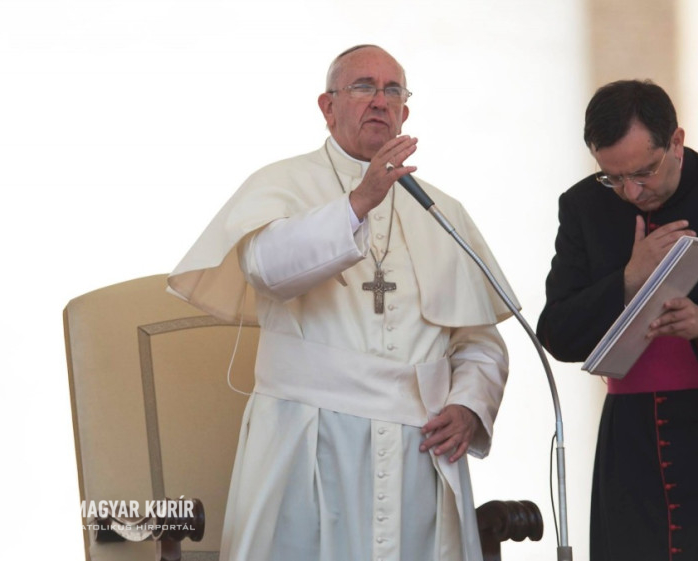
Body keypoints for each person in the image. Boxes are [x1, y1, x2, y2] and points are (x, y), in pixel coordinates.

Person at [167, 45, 516, 561]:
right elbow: (266, 269)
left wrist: (469, 405)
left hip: (417, 454)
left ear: (404, 113)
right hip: (307, 441)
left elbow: (480, 340)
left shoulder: (443, 210)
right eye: (363, 87)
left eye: (392, 90)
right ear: (327, 107)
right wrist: (358, 203)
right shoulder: (280, 183)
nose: (379, 100)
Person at [536, 80, 698, 561]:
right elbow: (557, 332)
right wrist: (628, 280)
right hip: (635, 442)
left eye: (644, 172)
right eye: (613, 177)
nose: (631, 191)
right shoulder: (582, 207)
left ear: (676, 141)